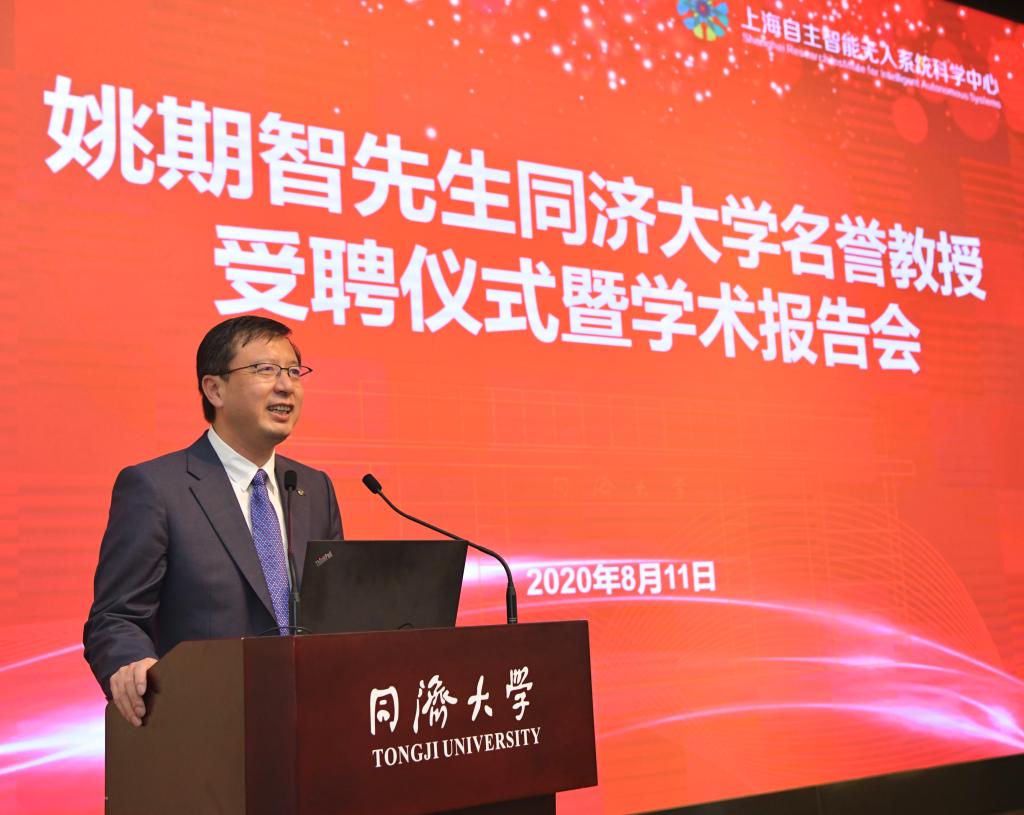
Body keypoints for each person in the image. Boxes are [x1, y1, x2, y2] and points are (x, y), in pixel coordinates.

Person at [84, 316, 343, 726]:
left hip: (312, 721)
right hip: (205, 724)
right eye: (266, 370)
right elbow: (115, 618)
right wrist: (132, 664)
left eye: (294, 372)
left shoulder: (314, 488)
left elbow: (335, 611)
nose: (285, 386)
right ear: (214, 389)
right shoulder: (157, 488)